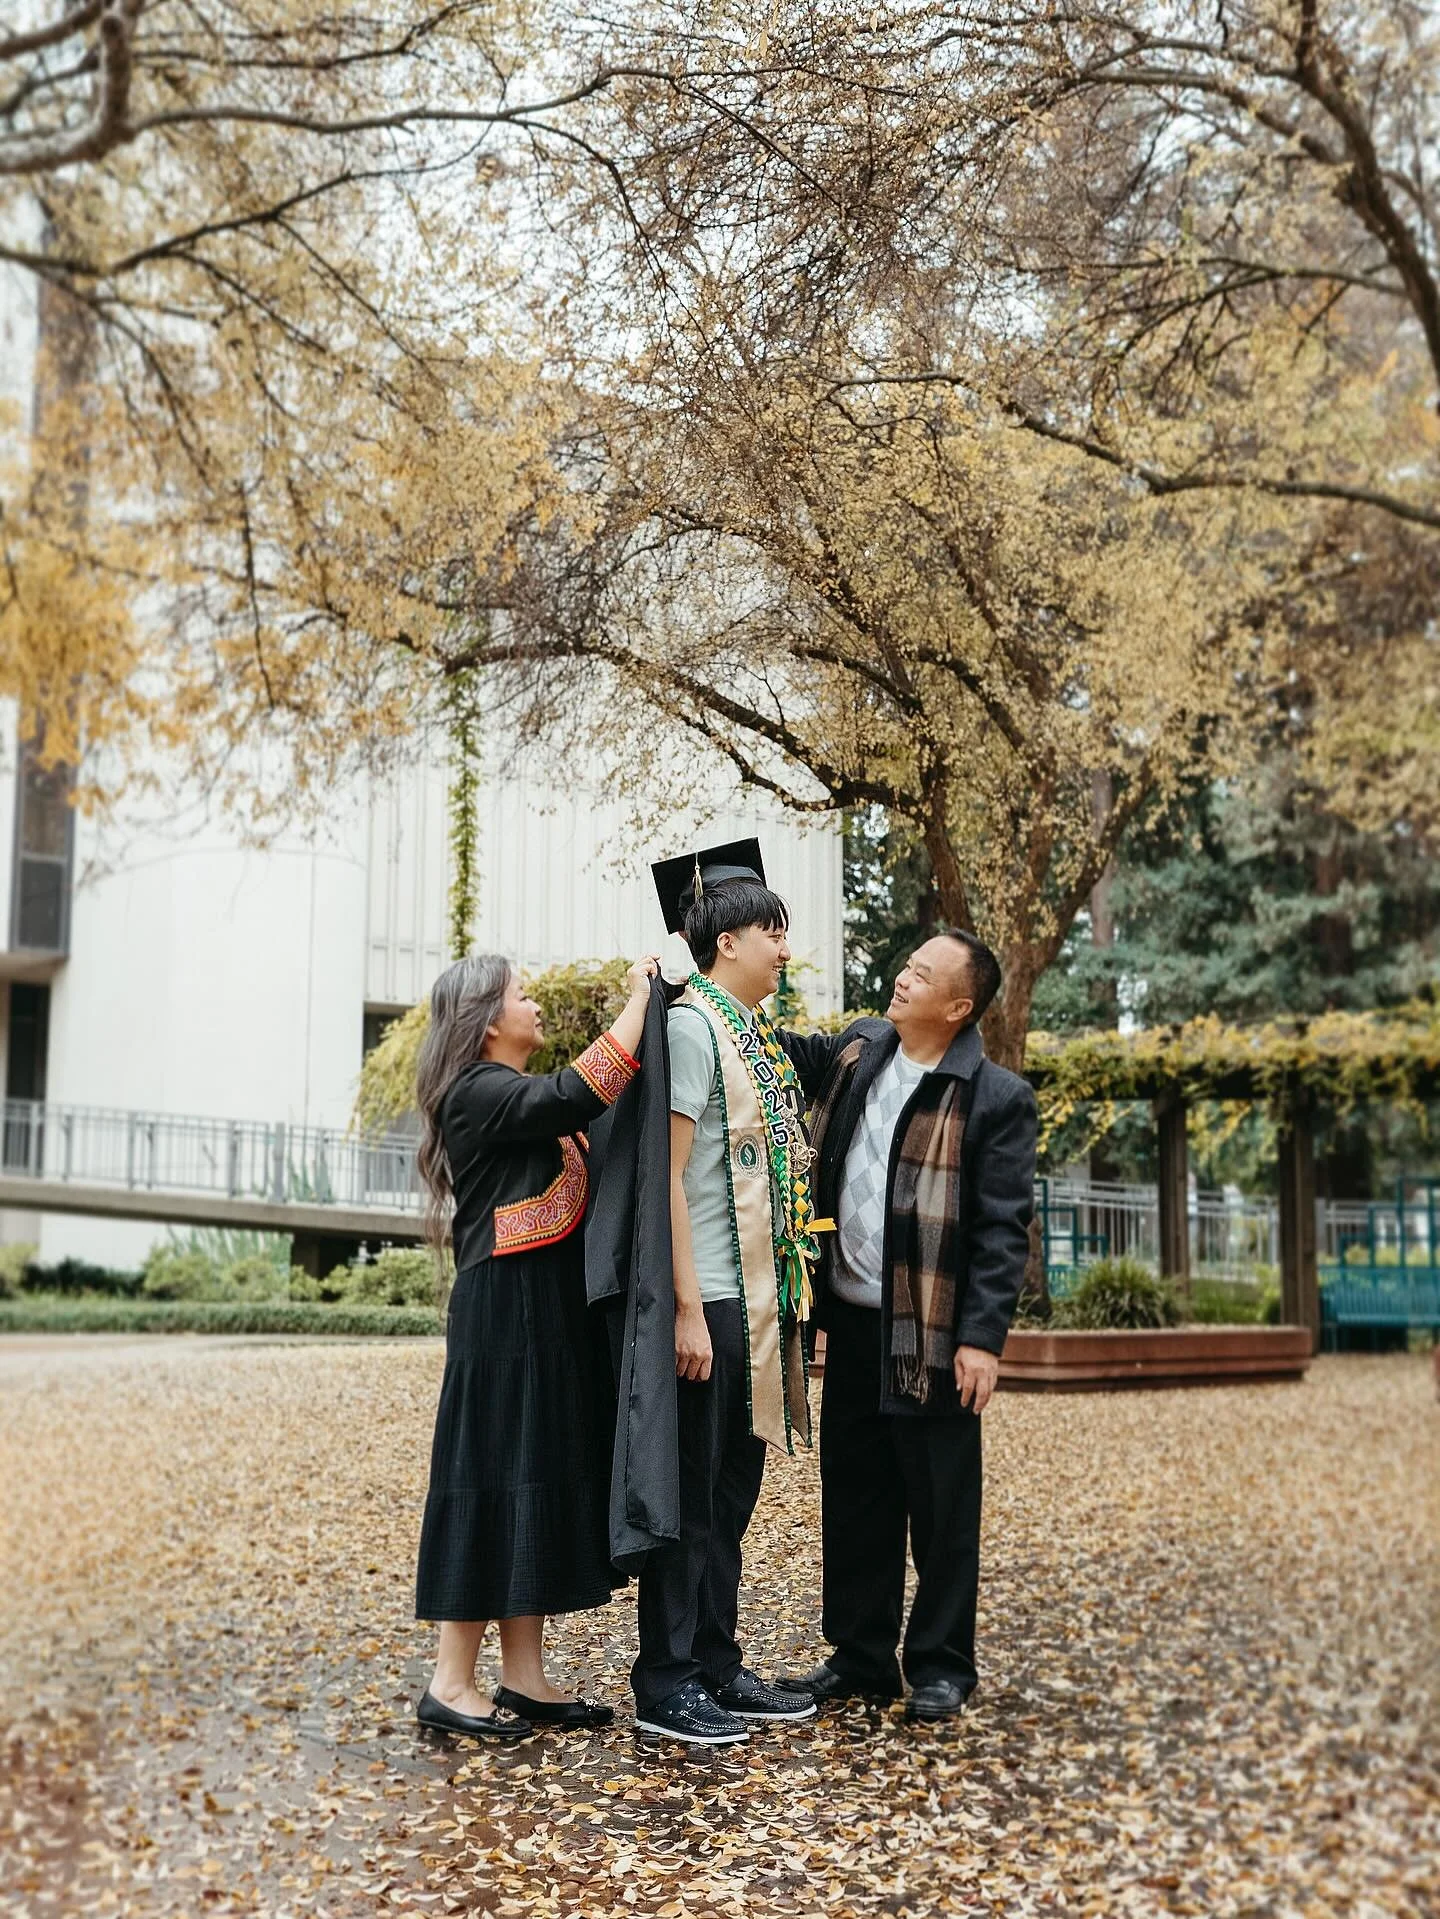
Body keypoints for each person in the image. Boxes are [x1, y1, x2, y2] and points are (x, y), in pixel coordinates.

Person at [778, 930, 1037, 1724]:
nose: (901, 977)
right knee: (856, 1498)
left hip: (931, 1331)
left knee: (941, 1505)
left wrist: (982, 1339)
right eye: (906, 966)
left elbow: (1003, 1230)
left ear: (958, 1006)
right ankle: (860, 1657)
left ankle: (941, 1664)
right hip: (852, 1322)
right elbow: (784, 1051)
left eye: (921, 974)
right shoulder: (862, 1048)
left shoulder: (993, 1095)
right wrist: (716, 986)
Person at [412, 950, 656, 1740]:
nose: (535, 1003)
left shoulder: (509, 1095)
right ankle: (450, 1679)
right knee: (489, 1474)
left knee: (530, 1476)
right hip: (501, 1314)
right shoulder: (479, 1093)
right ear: (486, 1021)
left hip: (539, 1312)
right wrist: (641, 998)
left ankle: (523, 1675)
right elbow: (580, 1089)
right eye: (522, 994)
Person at [627, 841, 819, 1745]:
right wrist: (689, 1309)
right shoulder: (693, 1027)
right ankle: (666, 1679)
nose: (786, 948)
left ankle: (717, 1661)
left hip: (756, 1295)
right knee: (692, 1495)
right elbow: (664, 1176)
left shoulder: (751, 1033)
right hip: (711, 1296)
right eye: (773, 931)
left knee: (731, 1493)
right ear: (727, 938)